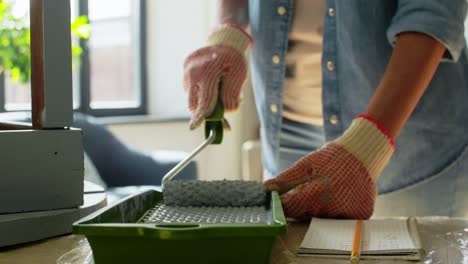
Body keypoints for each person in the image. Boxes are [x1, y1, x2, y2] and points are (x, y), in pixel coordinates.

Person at [183, 0, 468, 219]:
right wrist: (228, 31)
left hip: (404, 142)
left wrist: (369, 143)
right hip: (285, 137)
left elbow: (433, 11)